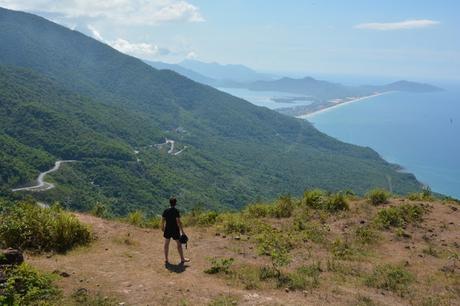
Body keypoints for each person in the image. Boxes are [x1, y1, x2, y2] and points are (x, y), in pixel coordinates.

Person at [161, 197, 190, 265]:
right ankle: (182, 259)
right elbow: (178, 222)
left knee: (166, 244)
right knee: (179, 244)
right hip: (175, 230)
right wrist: (182, 231)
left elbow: (162, 220)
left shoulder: (166, 210)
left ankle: (166, 259)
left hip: (167, 229)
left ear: (170, 203)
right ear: (175, 203)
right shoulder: (176, 211)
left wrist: (162, 227)